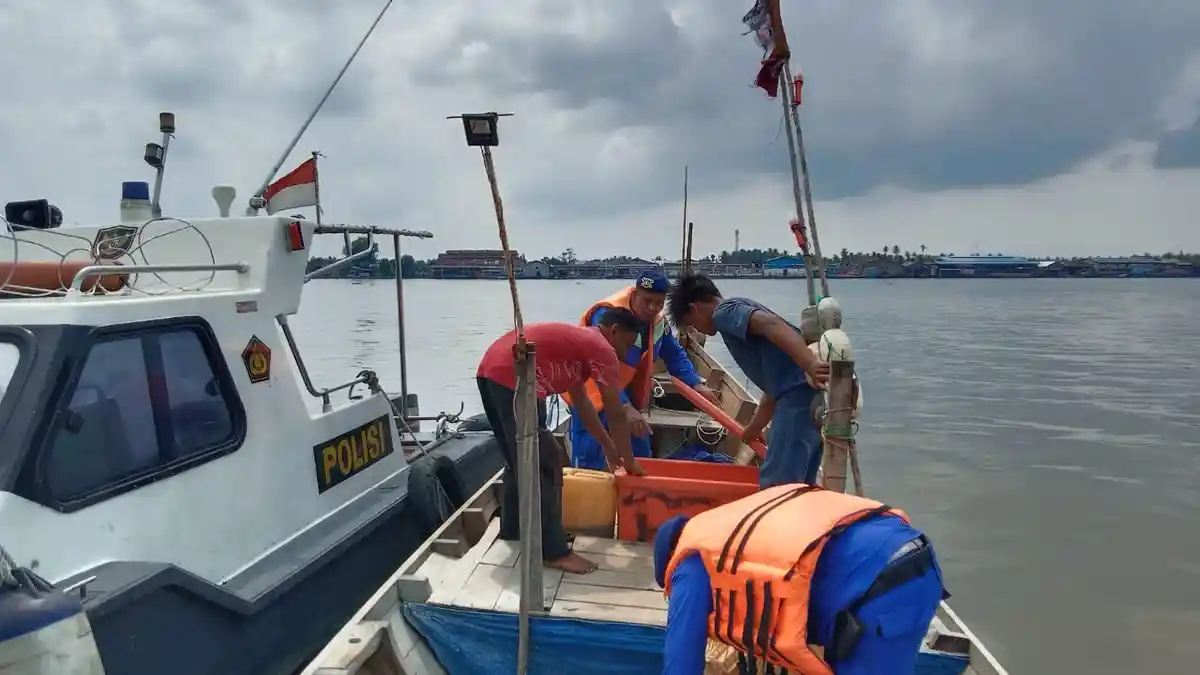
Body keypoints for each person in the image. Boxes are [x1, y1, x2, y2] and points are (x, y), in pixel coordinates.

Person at [654, 485, 946, 675]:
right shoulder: (726, 522)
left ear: (670, 562)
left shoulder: (690, 563)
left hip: (878, 589)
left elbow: (681, 665)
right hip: (918, 559)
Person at [476, 310, 647, 574]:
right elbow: (615, 413)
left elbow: (583, 404)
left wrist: (608, 447)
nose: (627, 353)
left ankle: (514, 531)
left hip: (491, 370)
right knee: (544, 463)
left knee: (517, 460)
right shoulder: (603, 350)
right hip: (516, 375)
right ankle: (554, 552)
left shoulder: (582, 345)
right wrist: (630, 460)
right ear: (613, 331)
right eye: (627, 343)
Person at [666, 272, 830, 488]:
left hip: (796, 402)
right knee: (803, 486)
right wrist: (755, 427)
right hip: (808, 401)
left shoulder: (723, 313)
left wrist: (809, 364)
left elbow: (771, 324)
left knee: (777, 487)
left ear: (694, 309)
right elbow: (773, 384)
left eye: (691, 324)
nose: (697, 330)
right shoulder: (739, 309)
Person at [565, 270, 720, 471]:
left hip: (627, 391)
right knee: (591, 456)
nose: (652, 308)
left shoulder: (658, 321)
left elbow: (674, 354)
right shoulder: (607, 314)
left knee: (640, 450)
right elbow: (597, 365)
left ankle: (636, 493)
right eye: (647, 301)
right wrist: (624, 406)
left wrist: (696, 384)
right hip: (594, 394)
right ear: (635, 294)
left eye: (658, 303)